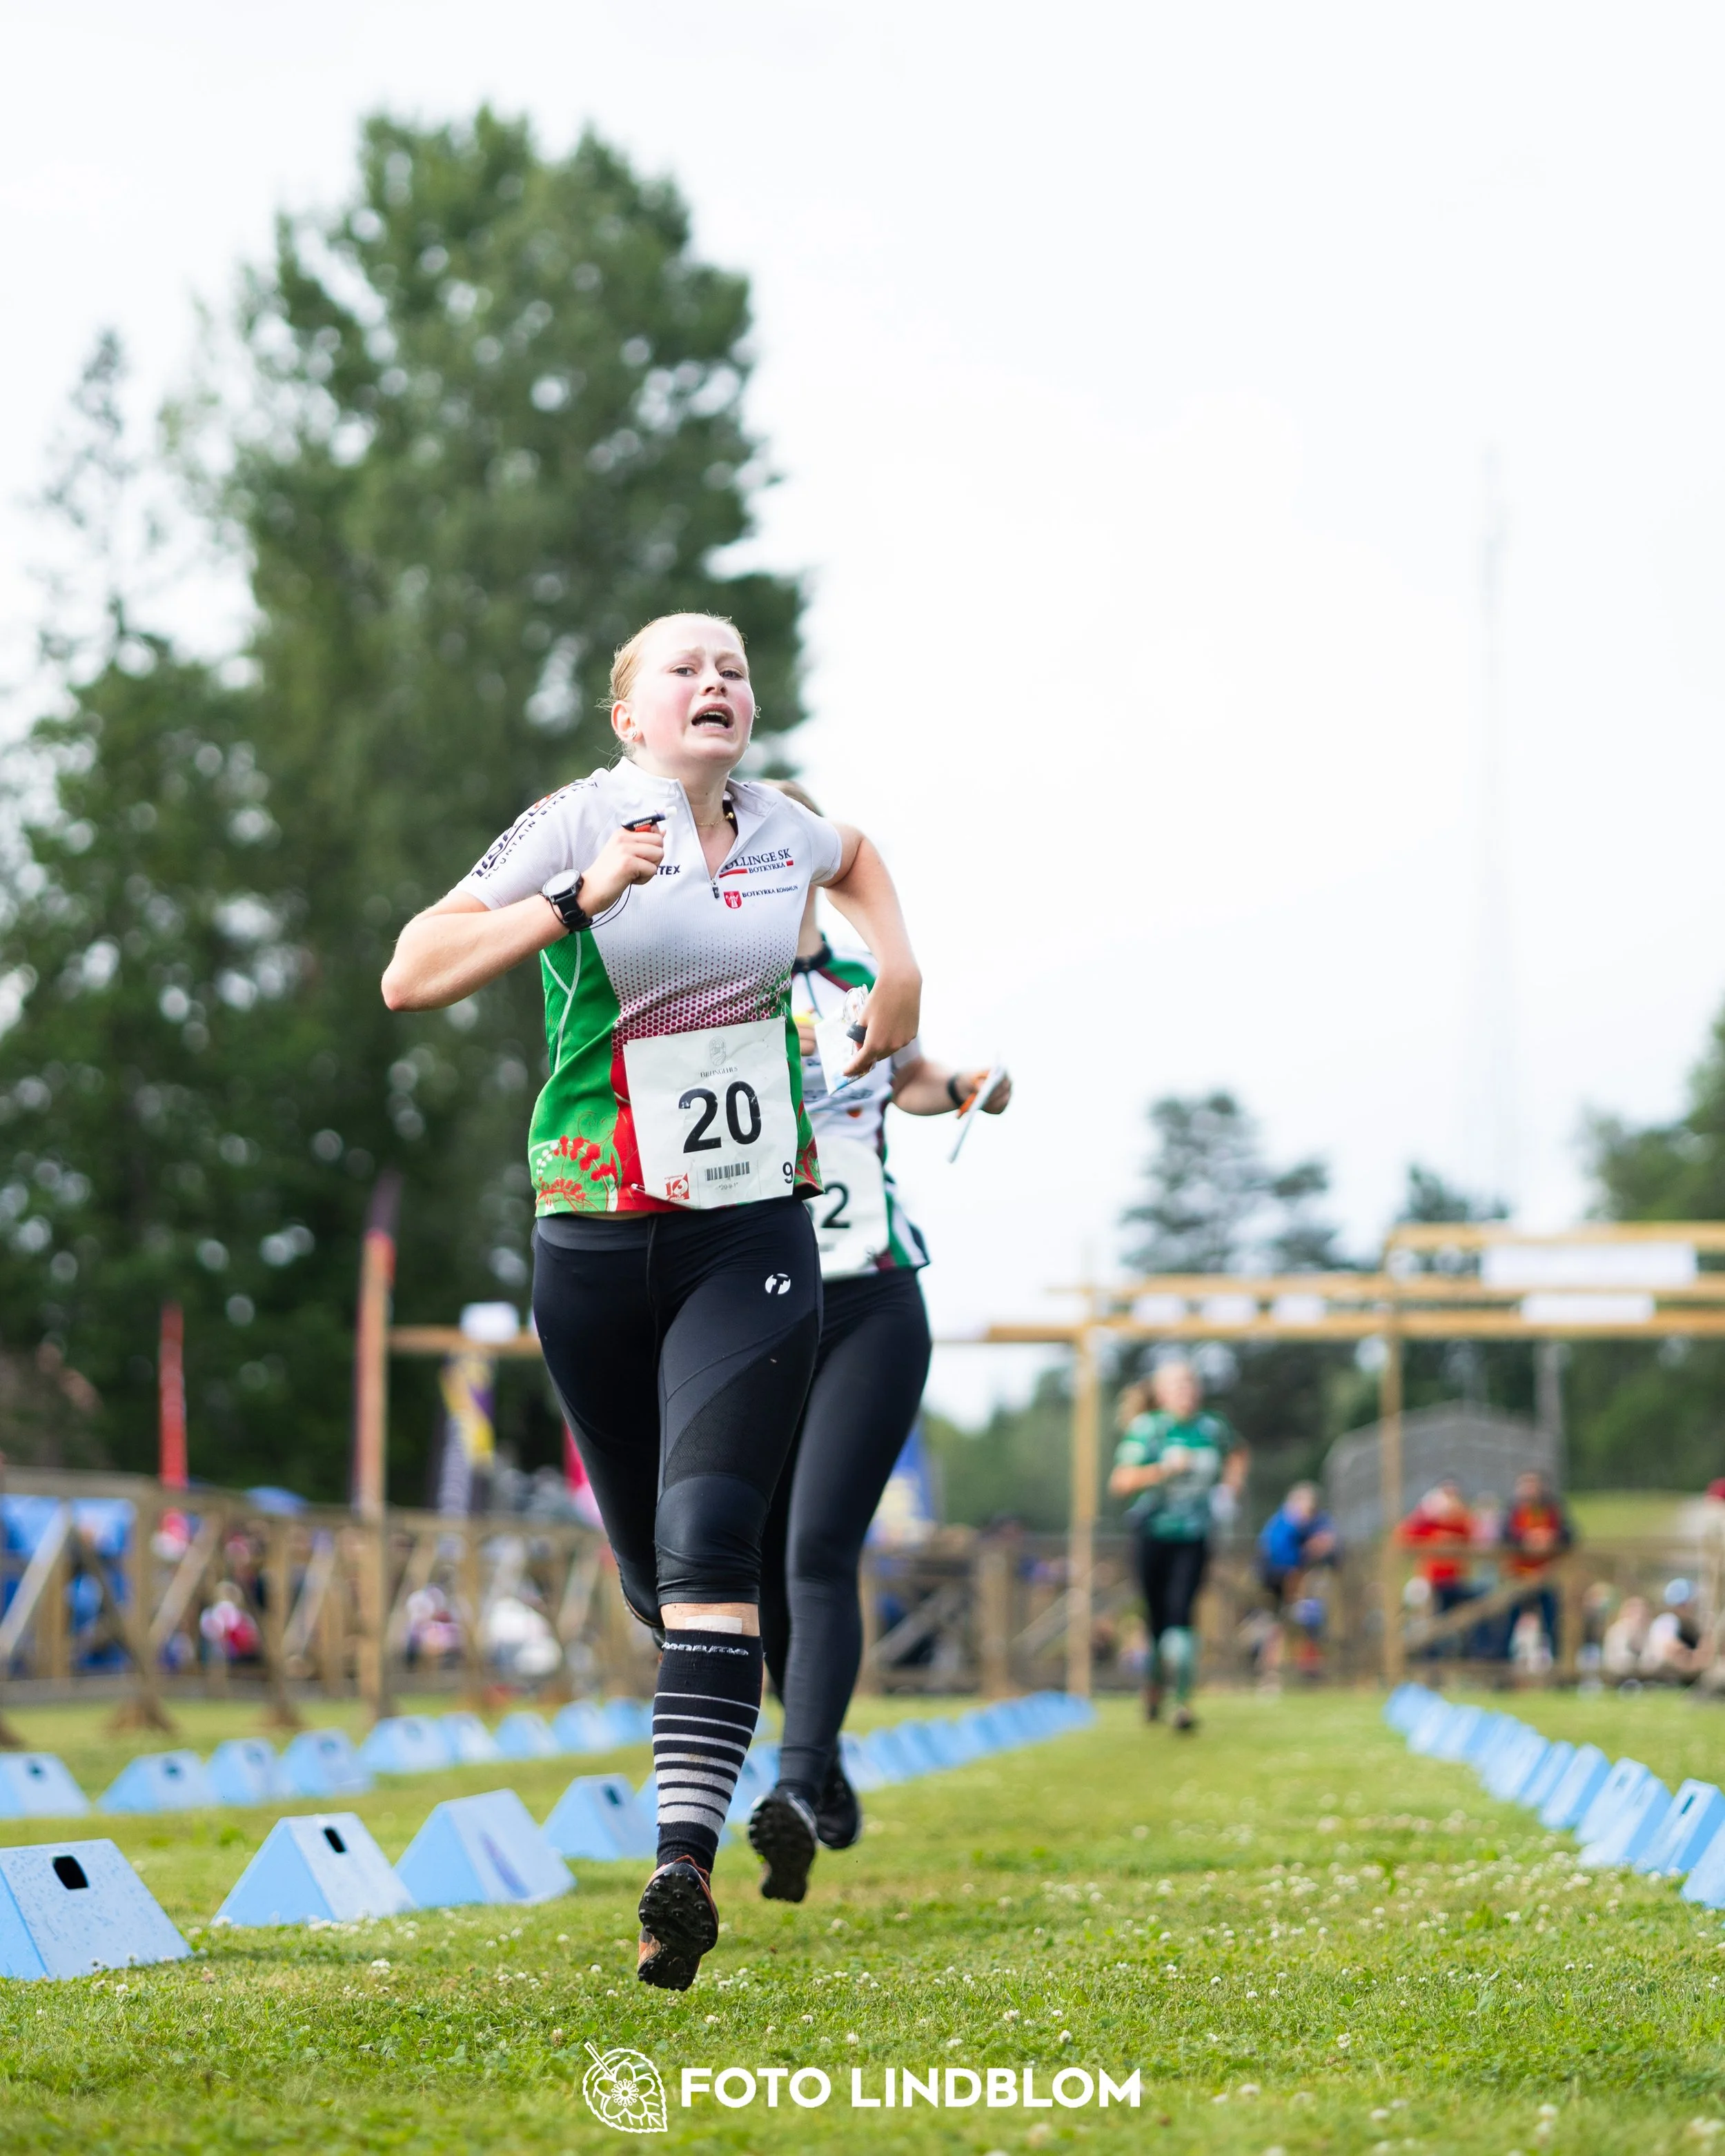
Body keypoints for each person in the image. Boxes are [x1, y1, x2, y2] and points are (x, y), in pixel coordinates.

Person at [380, 612, 920, 1990]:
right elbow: (410, 972)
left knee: (710, 1544)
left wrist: (900, 965)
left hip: (752, 1231)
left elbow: (857, 858)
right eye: (684, 667)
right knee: (651, 1571)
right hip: (595, 1237)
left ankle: (681, 1866)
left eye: (732, 666)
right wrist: (576, 901)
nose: (716, 681)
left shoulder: (784, 826)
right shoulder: (576, 821)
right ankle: (713, 1762)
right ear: (628, 716)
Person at [746, 780, 1009, 1901]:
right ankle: (823, 1754)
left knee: (818, 1546)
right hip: (756, 1300)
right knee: (758, 1561)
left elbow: (911, 1078)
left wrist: (969, 1086)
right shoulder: (716, 986)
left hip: (871, 1299)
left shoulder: (860, 979)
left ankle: (797, 1788)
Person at [1108, 1361, 1245, 1731]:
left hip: (1194, 1534)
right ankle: (1154, 1687)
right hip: (1153, 1533)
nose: (1186, 1391)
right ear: (1162, 1393)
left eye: (1190, 1384)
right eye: (1178, 1385)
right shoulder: (1149, 1429)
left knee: (1181, 1613)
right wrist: (1163, 1470)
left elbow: (1238, 1453)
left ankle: (1183, 1703)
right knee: (1156, 1621)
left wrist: (1229, 1488)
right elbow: (1121, 1481)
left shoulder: (1212, 1427)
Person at [1255, 1481, 1337, 1682]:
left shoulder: (1312, 1523)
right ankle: (1272, 1670)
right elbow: (1279, 1563)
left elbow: (1330, 1541)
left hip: (1301, 1584)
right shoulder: (1282, 1527)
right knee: (1279, 1624)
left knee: (1307, 1619)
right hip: (1281, 1583)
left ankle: (1307, 1666)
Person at [1501, 1470, 1574, 1658]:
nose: (1530, 1490)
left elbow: (1569, 1534)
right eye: (1526, 1485)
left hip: (1548, 1575)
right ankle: (1504, 1662)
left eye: (1533, 1485)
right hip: (1519, 1576)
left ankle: (1557, 1663)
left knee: (1552, 1623)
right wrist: (1526, 1539)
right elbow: (1504, 1536)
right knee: (1509, 1621)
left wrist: (1550, 1538)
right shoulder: (1513, 1511)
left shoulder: (1552, 1510)